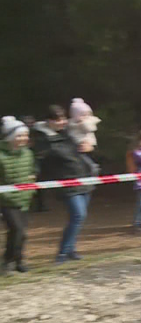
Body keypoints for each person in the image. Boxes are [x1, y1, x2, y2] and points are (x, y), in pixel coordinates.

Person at [32, 105, 96, 263]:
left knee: (80, 217)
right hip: (66, 181)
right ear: (49, 120)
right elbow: (40, 160)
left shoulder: (68, 133)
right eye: (58, 119)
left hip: (83, 178)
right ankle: (62, 252)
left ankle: (70, 250)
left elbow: (79, 151)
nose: (62, 122)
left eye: (63, 118)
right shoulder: (43, 140)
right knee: (78, 215)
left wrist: (87, 148)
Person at [0, 117, 36, 275]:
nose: (23, 139)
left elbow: (31, 171)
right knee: (16, 229)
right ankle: (8, 261)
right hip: (6, 199)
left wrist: (32, 180)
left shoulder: (28, 153)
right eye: (19, 135)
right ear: (9, 136)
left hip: (24, 198)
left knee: (22, 233)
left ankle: (19, 260)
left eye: (25, 135)